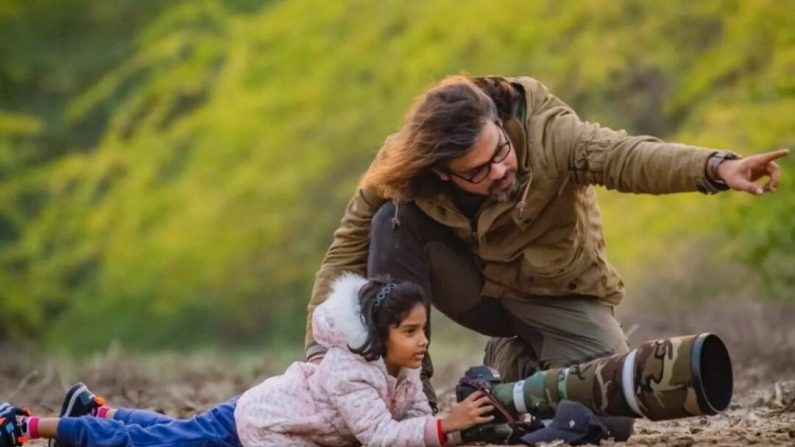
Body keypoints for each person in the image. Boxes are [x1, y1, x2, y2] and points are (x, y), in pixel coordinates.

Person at [303, 75, 789, 438]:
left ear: (498, 122)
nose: (498, 171)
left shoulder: (550, 133)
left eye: (500, 152)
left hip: (561, 295)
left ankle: (509, 369)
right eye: (477, 171)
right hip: (479, 293)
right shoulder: (403, 164)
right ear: (444, 173)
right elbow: (345, 251)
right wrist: (320, 355)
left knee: (609, 419)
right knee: (391, 220)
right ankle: (406, 404)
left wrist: (715, 167)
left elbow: (627, 157)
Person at [0, 275, 494, 447]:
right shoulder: (351, 375)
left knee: (169, 434)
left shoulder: (400, 369)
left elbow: (409, 420)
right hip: (250, 429)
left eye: (424, 329)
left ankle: (96, 411)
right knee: (144, 444)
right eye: (409, 331)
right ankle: (29, 426)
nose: (422, 341)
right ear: (379, 336)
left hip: (266, 424)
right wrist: (446, 426)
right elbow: (382, 436)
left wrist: (442, 428)